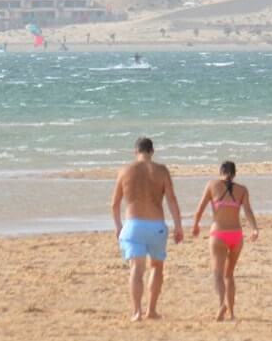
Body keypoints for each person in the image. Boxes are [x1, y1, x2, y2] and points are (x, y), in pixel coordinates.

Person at [110, 137, 183, 322]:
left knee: (136, 267)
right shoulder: (161, 170)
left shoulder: (125, 171)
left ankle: (136, 312)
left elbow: (115, 203)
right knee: (157, 267)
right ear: (152, 151)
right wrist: (178, 225)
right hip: (156, 225)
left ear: (135, 151)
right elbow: (171, 199)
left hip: (133, 225)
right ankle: (151, 310)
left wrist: (118, 226)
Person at [189, 161, 260, 322]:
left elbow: (200, 208)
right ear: (235, 174)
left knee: (218, 274)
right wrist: (254, 228)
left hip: (219, 234)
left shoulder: (212, 185)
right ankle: (232, 313)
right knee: (229, 275)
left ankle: (222, 304)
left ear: (220, 171)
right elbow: (248, 210)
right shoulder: (242, 190)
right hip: (236, 235)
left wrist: (195, 225)